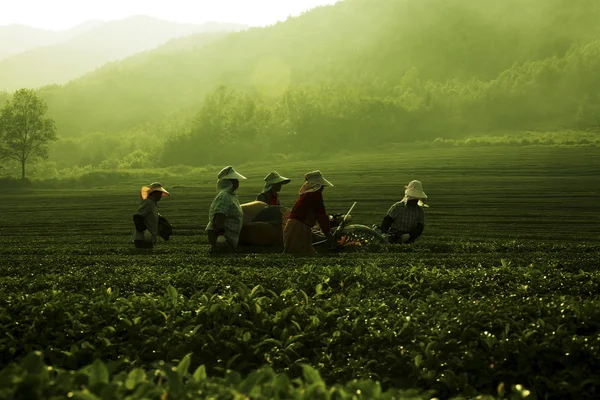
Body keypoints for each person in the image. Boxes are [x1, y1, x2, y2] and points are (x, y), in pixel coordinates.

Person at [283, 170, 334, 255]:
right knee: (301, 254)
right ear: (317, 185)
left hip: (294, 225)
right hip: (299, 227)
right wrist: (327, 233)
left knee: (298, 253)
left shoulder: (306, 195)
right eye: (322, 186)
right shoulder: (315, 195)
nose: (323, 188)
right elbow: (321, 215)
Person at [206, 166, 246, 254]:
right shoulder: (224, 196)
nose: (238, 182)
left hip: (231, 239)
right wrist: (220, 236)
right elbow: (219, 215)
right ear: (228, 182)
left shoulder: (231, 196)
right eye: (235, 180)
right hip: (224, 240)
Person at [380, 180, 428, 244]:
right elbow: (387, 221)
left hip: (409, 239)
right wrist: (384, 233)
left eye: (416, 198)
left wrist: (410, 235)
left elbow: (419, 228)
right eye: (413, 198)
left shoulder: (419, 211)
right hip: (393, 236)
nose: (414, 200)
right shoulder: (398, 207)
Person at [132, 182, 170, 249]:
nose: (161, 196)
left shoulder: (153, 204)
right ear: (154, 193)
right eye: (160, 193)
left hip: (147, 239)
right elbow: (137, 216)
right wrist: (145, 232)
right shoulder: (148, 203)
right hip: (142, 239)